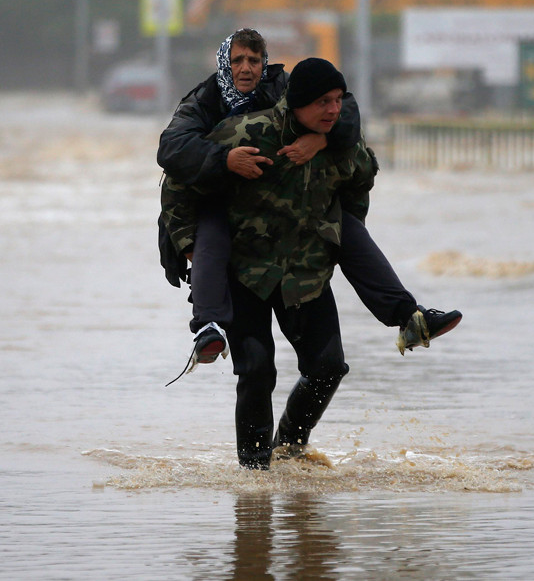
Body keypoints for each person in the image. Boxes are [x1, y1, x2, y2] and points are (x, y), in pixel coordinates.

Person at [157, 29, 460, 371]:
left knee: (345, 228)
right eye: (237, 60)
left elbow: (342, 110)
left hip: (289, 205)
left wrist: (322, 139)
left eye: (254, 60)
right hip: (218, 198)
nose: (246, 69)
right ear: (224, 63)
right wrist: (224, 160)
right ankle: (208, 328)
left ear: (264, 63)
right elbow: (170, 150)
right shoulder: (203, 101)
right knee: (213, 237)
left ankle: (410, 317)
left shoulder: (283, 87)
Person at [164, 58, 384, 468]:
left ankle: (289, 446)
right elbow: (175, 175)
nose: (334, 109)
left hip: (303, 269)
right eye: (323, 102)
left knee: (329, 367)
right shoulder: (232, 123)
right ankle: (253, 476)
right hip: (244, 267)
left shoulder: (329, 129)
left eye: (337, 100)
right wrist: (186, 242)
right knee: (257, 371)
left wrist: (343, 230)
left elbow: (362, 175)